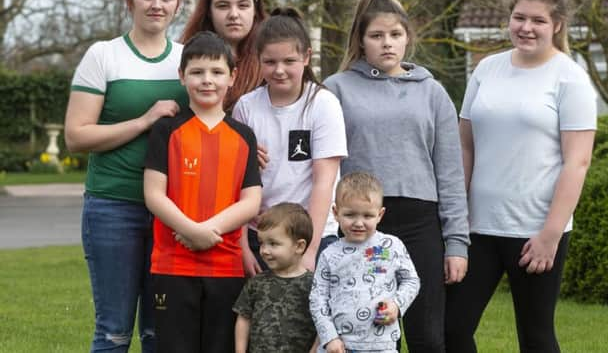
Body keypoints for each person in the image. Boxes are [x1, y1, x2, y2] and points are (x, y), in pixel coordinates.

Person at [444, 0, 597, 353]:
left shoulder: (571, 78)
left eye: (538, 21)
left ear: (557, 24)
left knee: (536, 336)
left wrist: (551, 234)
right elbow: (465, 145)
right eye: (519, 17)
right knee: (452, 328)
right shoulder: (486, 69)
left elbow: (577, 162)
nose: (526, 28)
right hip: (477, 228)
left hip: (536, 231)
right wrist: (456, 215)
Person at [323, 0, 469, 352]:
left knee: (428, 337)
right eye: (376, 35)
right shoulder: (336, 90)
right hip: (361, 224)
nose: (387, 43)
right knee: (368, 334)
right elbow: (321, 165)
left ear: (407, 37)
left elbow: (450, 172)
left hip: (421, 223)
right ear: (360, 39)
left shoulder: (432, 92)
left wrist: (456, 243)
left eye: (395, 34)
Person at [64, 0, 187, 353]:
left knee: (159, 333)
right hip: (112, 208)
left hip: (171, 211)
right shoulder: (103, 56)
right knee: (114, 332)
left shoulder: (187, 60)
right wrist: (143, 121)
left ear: (179, 3)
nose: (157, 4)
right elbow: (76, 137)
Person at [143, 31, 262, 353]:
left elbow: (251, 201)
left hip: (225, 266)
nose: (206, 80)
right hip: (173, 266)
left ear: (232, 77)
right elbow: (154, 194)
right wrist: (190, 230)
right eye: (197, 72)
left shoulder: (243, 136)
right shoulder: (167, 130)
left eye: (216, 72)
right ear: (182, 76)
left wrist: (208, 231)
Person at [232, 7, 347, 275]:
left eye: (289, 61)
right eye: (270, 62)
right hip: (260, 237)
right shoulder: (246, 107)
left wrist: (310, 251)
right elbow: (235, 183)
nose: (279, 70)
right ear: (258, 59)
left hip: (310, 235)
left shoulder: (323, 104)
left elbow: (324, 182)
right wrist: (243, 247)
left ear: (307, 57)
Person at [309, 172, 420, 353]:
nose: (358, 223)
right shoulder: (329, 254)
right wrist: (329, 338)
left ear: (380, 214)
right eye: (350, 215)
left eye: (367, 216)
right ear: (336, 213)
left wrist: (397, 305)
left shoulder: (392, 246)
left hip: (381, 346)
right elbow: (317, 299)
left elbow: (411, 281)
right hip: (339, 346)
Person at [233, 202, 318, 353]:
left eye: (273, 244)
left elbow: (323, 326)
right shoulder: (257, 282)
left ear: (299, 246)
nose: (264, 250)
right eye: (261, 243)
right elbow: (244, 318)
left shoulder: (314, 286)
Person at [181, 0, 267, 112]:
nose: (234, 14)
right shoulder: (185, 56)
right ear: (209, 11)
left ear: (255, 10)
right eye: (223, 6)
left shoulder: (271, 61)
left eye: (243, 5)